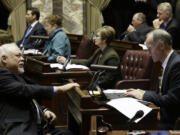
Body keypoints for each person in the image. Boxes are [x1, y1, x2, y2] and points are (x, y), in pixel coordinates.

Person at [0, 43, 79, 135]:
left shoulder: (15, 74)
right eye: (18, 56)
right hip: (19, 127)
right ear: (4, 59)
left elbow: (27, 96)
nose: (22, 59)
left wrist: (44, 110)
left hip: (35, 124)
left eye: (22, 56)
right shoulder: (2, 74)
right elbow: (24, 90)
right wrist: (59, 89)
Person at [125, 29, 180, 130]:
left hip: (172, 124)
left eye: (149, 48)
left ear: (162, 46)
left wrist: (142, 95)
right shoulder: (169, 62)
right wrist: (142, 92)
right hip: (164, 117)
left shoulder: (176, 64)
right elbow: (162, 94)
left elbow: (172, 99)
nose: (148, 53)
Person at [57, 26, 121, 89]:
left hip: (105, 88)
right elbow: (88, 62)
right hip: (96, 84)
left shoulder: (112, 56)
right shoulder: (99, 51)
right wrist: (69, 61)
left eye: (97, 36)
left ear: (104, 40)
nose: (94, 38)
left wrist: (89, 86)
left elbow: (107, 79)